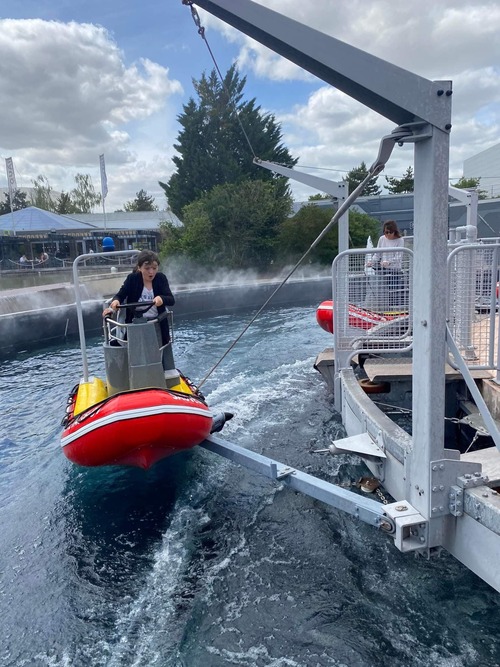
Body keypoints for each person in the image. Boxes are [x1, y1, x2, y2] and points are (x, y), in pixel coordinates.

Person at [103, 250, 177, 381]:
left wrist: (161, 299)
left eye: (154, 268)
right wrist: (115, 301)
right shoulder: (133, 279)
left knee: (157, 352)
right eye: (147, 268)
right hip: (135, 323)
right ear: (139, 268)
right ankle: (135, 378)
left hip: (156, 322)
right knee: (133, 352)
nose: (151, 272)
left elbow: (171, 299)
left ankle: (156, 377)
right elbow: (122, 293)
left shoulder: (161, 279)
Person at [367, 220, 405, 311]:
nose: (387, 234)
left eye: (390, 232)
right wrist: (371, 261)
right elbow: (378, 254)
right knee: (382, 290)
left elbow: (399, 256)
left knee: (394, 292)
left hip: (395, 270)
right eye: (385, 232)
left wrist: (389, 262)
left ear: (394, 231)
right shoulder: (382, 239)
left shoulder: (400, 240)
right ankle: (383, 308)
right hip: (384, 270)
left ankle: (395, 309)